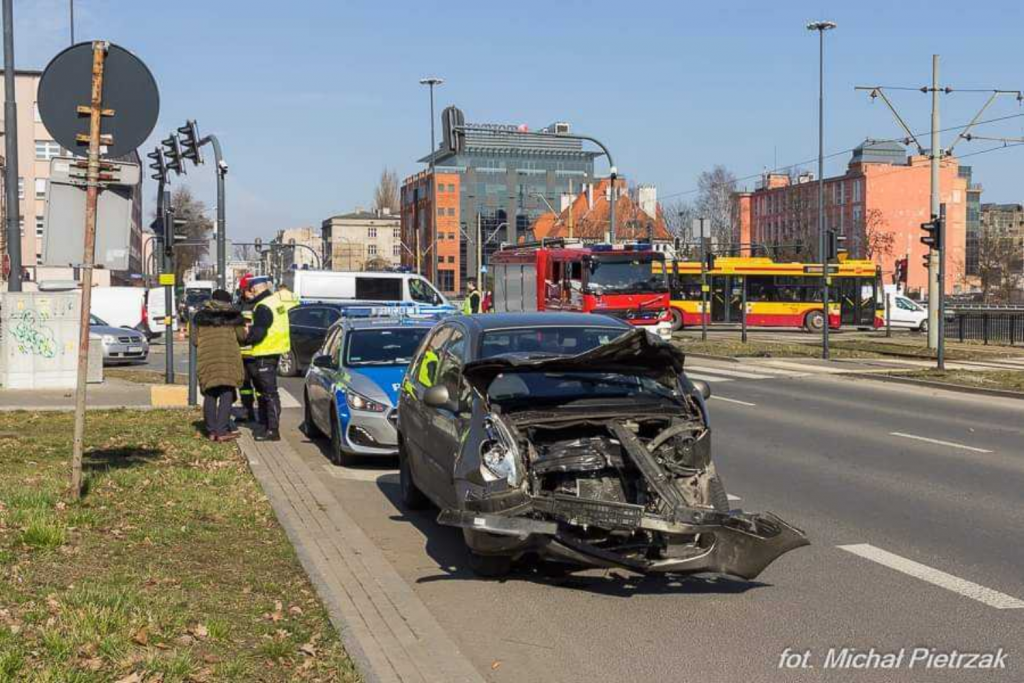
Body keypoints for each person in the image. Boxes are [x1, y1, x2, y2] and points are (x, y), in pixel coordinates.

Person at [241, 276, 293, 442]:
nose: (252, 292)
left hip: (265, 352)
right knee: (266, 392)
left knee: (269, 393)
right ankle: (266, 425)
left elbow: (260, 331)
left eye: (253, 289)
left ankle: (272, 430)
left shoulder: (263, 306)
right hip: (275, 350)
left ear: (257, 289)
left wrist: (246, 338)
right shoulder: (275, 302)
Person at [193, 289, 248, 442]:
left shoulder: (200, 316)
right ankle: (222, 431)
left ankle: (211, 431)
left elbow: (195, 340)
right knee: (226, 393)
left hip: (207, 358)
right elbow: (242, 337)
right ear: (228, 302)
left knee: (210, 393)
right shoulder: (234, 316)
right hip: (228, 358)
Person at [236, 274, 259, 424]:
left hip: (257, 352)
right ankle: (247, 410)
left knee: (259, 385)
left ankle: (262, 413)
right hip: (242, 353)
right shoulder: (239, 305)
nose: (251, 292)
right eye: (248, 290)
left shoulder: (260, 305)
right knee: (244, 385)